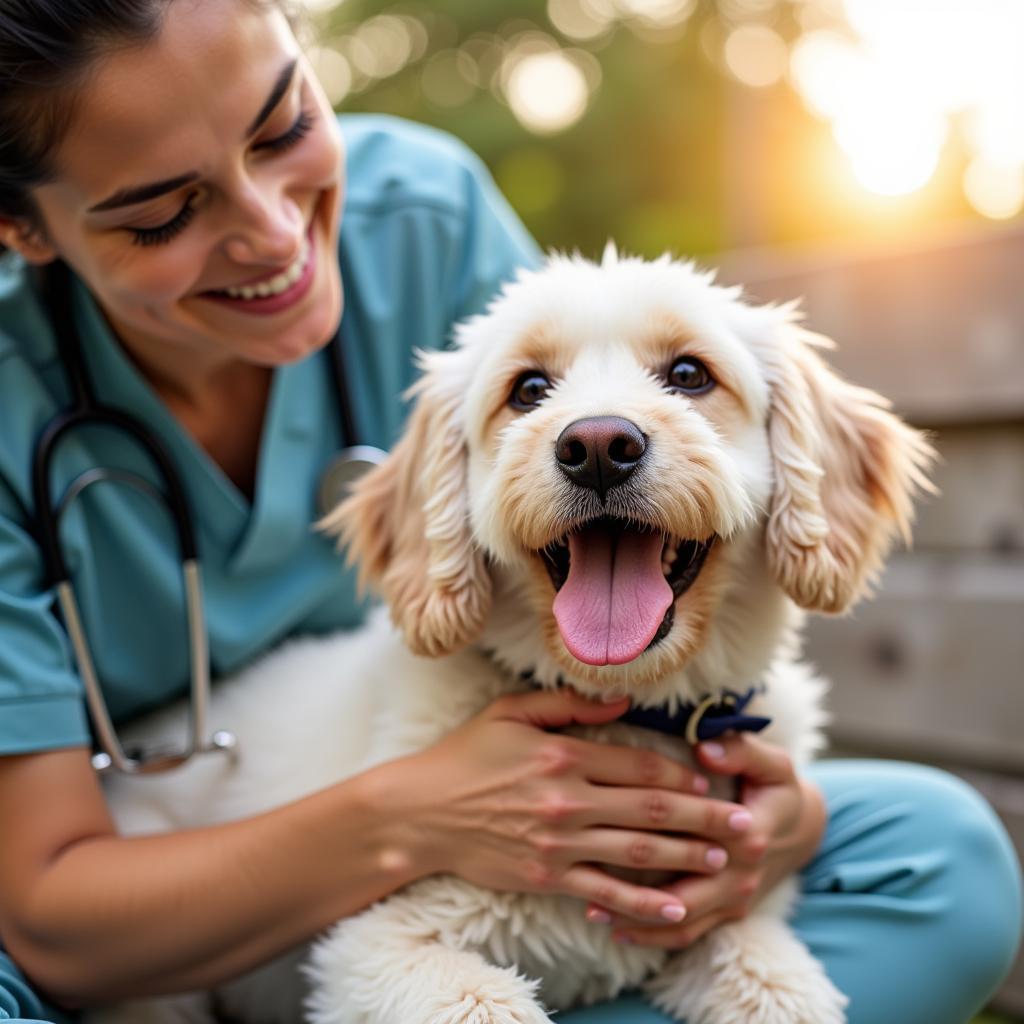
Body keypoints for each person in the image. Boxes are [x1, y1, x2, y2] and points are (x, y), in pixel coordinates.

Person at [0, 2, 1019, 1022]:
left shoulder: (425, 213)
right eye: (161, 213)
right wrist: (418, 816)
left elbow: (583, 343)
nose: (271, 231)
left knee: (943, 852)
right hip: (126, 903)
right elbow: (45, 915)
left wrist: (774, 829)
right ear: (21, 227)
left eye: (282, 128)